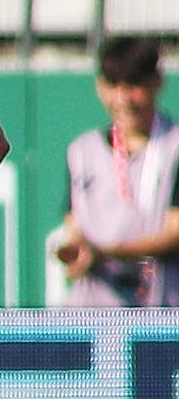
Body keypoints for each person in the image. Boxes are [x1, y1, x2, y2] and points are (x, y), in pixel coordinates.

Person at [49, 36, 179, 310]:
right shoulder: (82, 150)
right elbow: (72, 220)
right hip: (92, 314)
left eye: (133, 86)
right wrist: (77, 250)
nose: (123, 99)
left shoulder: (173, 147)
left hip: (161, 313)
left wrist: (105, 252)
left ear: (156, 82)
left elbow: (175, 230)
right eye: (113, 85)